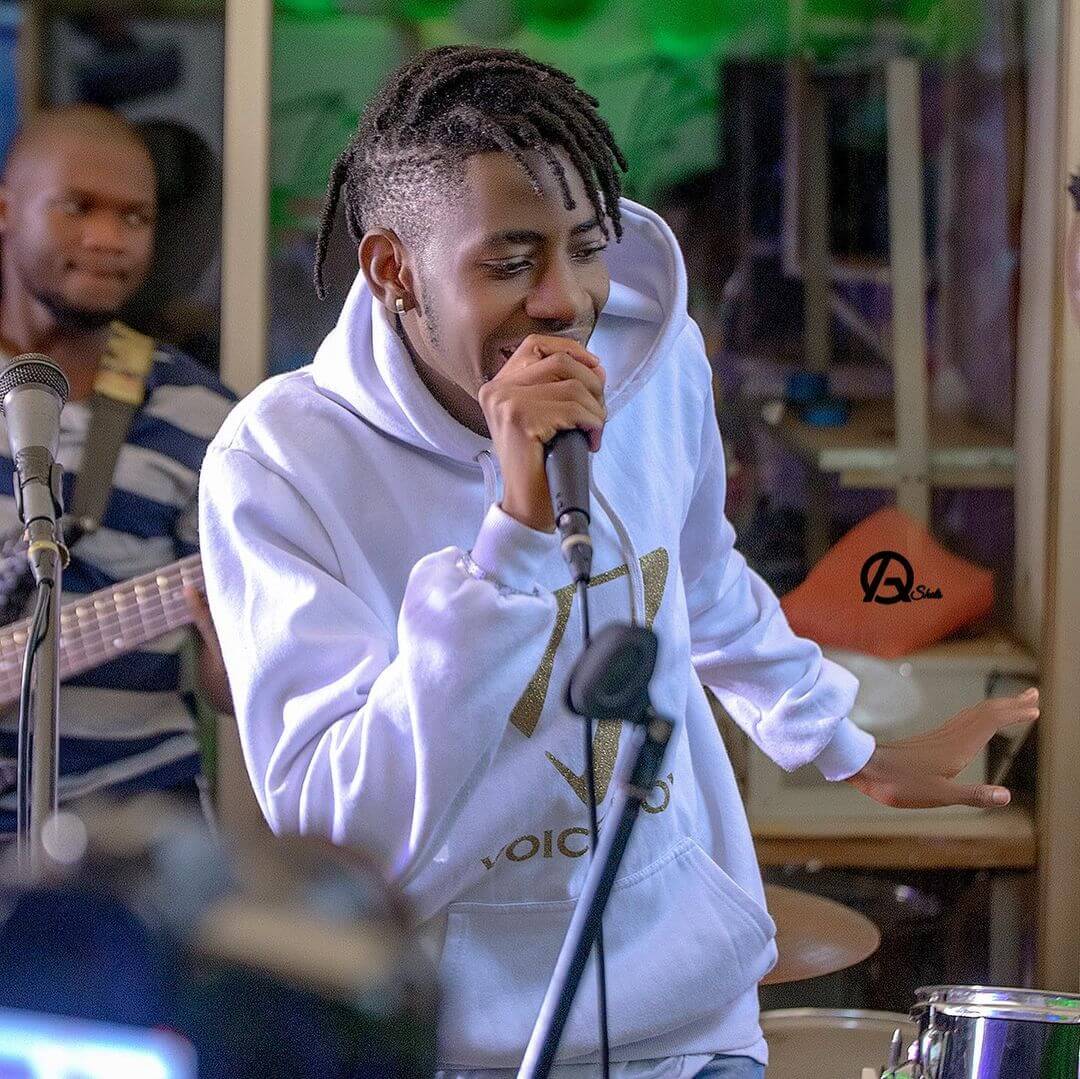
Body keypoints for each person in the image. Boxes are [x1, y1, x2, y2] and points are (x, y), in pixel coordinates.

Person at [200, 46, 1038, 1078]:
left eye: (588, 248)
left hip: (692, 1028)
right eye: (510, 262)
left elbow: (700, 579)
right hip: (456, 1046)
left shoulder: (657, 361)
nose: (566, 300)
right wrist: (510, 543)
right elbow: (340, 830)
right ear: (393, 270)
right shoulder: (279, 461)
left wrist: (843, 743)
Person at [0, 104, 234, 829]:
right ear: (6, 211)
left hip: (137, 833)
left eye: (135, 217)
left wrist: (251, 646)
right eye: (78, 207)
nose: (108, 239)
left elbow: (230, 689)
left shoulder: (206, 417)